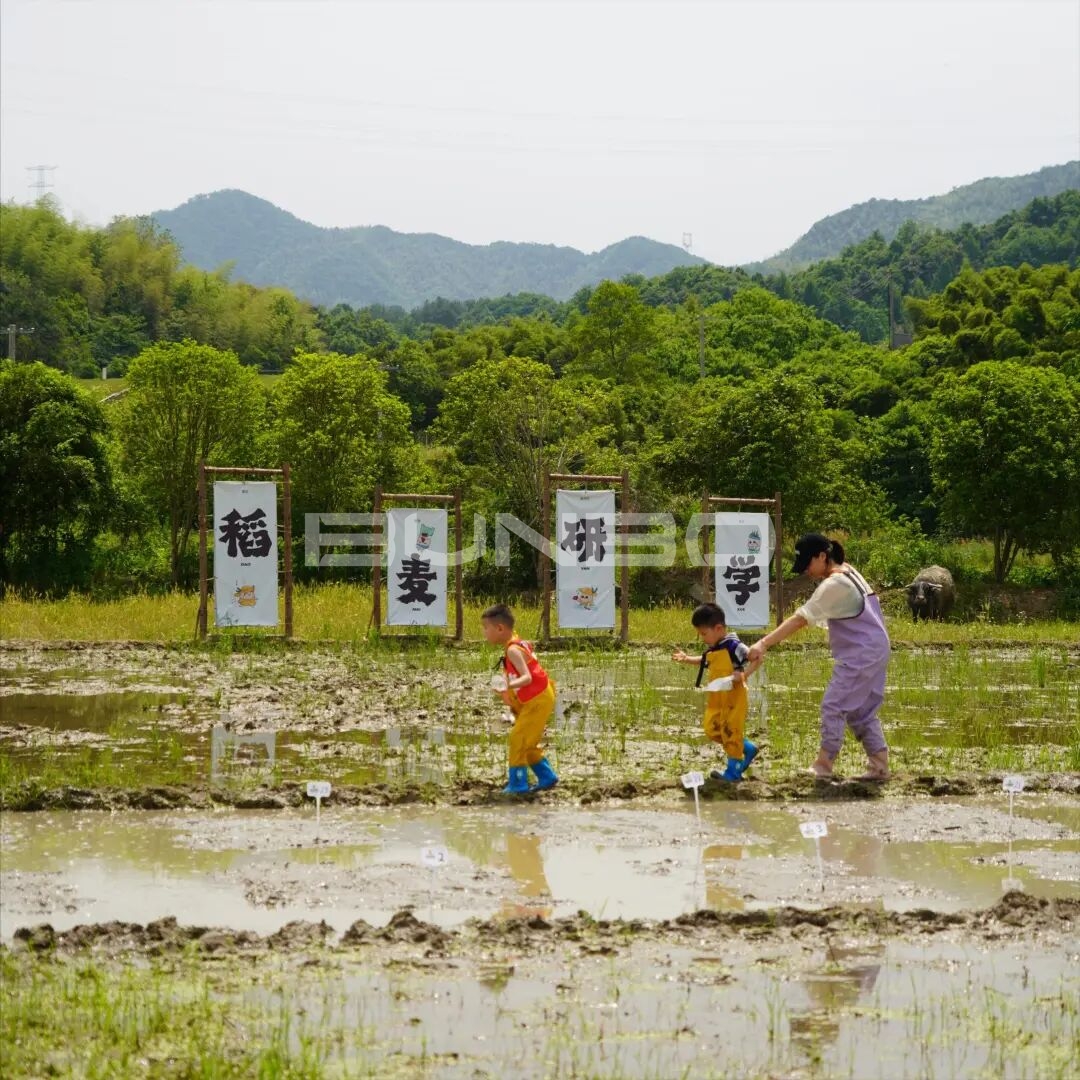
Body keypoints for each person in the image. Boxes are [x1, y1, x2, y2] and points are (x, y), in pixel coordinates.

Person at [746, 533, 890, 780]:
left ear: (822, 556)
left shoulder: (834, 584)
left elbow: (801, 618)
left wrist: (763, 643)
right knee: (862, 712)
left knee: (833, 705)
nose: (806, 572)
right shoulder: (849, 572)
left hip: (861, 653)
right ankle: (879, 767)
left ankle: (823, 765)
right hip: (876, 648)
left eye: (808, 565)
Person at [672, 602, 762, 782]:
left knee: (730, 730)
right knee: (712, 728)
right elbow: (705, 660)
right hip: (718, 696)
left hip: (734, 696)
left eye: (704, 634)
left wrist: (743, 674)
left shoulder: (734, 645)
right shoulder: (715, 647)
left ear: (719, 628)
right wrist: (686, 658)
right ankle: (747, 748)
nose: (702, 638)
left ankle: (733, 772)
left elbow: (757, 658)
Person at [480, 604, 558, 794]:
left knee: (518, 739)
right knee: (527, 741)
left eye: (485, 628)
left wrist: (508, 686)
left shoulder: (513, 650)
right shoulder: (515, 643)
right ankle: (547, 777)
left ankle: (518, 784)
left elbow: (527, 678)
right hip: (539, 698)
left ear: (500, 628)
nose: (484, 633)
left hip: (538, 700)